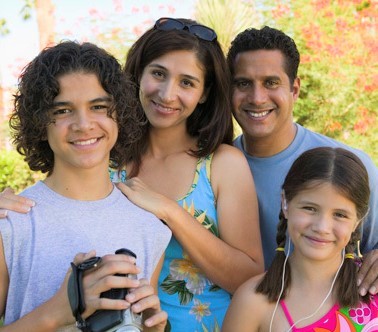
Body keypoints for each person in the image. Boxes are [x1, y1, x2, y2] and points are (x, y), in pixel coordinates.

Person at [0, 18, 264, 330]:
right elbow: (60, 204)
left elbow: (252, 280)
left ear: (205, 92)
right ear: (137, 75)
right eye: (158, 74)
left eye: (187, 82)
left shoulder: (220, 163)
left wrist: (168, 211)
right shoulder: (102, 157)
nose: (167, 94)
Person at [0, 41, 171, 331]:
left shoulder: (150, 228)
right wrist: (59, 311)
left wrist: (152, 328)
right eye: (63, 110)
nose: (83, 124)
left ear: (119, 114)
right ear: (41, 122)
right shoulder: (10, 224)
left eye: (99, 106)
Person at [226, 26, 378, 296]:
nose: (257, 98)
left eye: (271, 83)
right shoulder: (216, 169)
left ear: (294, 89)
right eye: (243, 83)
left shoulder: (351, 166)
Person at [222, 147, 378, 331]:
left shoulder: (373, 289)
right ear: (285, 203)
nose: (322, 227)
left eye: (340, 214)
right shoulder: (252, 301)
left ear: (358, 220)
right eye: (310, 208)